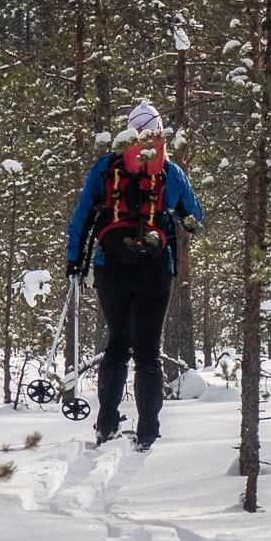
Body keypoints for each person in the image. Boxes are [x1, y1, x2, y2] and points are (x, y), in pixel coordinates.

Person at [65, 100, 204, 450]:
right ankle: (148, 430)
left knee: (116, 346)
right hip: (155, 269)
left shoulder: (105, 169)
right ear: (159, 136)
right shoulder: (170, 173)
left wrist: (74, 263)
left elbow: (81, 219)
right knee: (147, 352)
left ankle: (106, 424)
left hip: (109, 267)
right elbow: (195, 221)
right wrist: (176, 220)